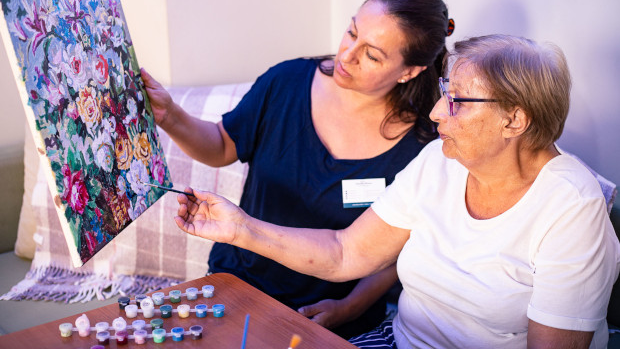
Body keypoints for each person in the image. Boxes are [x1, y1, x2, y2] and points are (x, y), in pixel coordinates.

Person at [173, 34, 620, 348]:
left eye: (458, 101)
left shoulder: (572, 208)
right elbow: (345, 252)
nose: (436, 112)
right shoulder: (440, 163)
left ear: (514, 121)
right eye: (445, 91)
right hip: (394, 341)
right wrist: (238, 228)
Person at [142, 0, 453, 338]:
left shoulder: (424, 146)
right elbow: (222, 146)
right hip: (239, 288)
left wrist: (346, 308)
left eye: (371, 54)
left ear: (410, 71)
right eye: (352, 33)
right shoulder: (286, 82)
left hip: (331, 317)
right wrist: (170, 116)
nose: (347, 56)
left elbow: (392, 254)